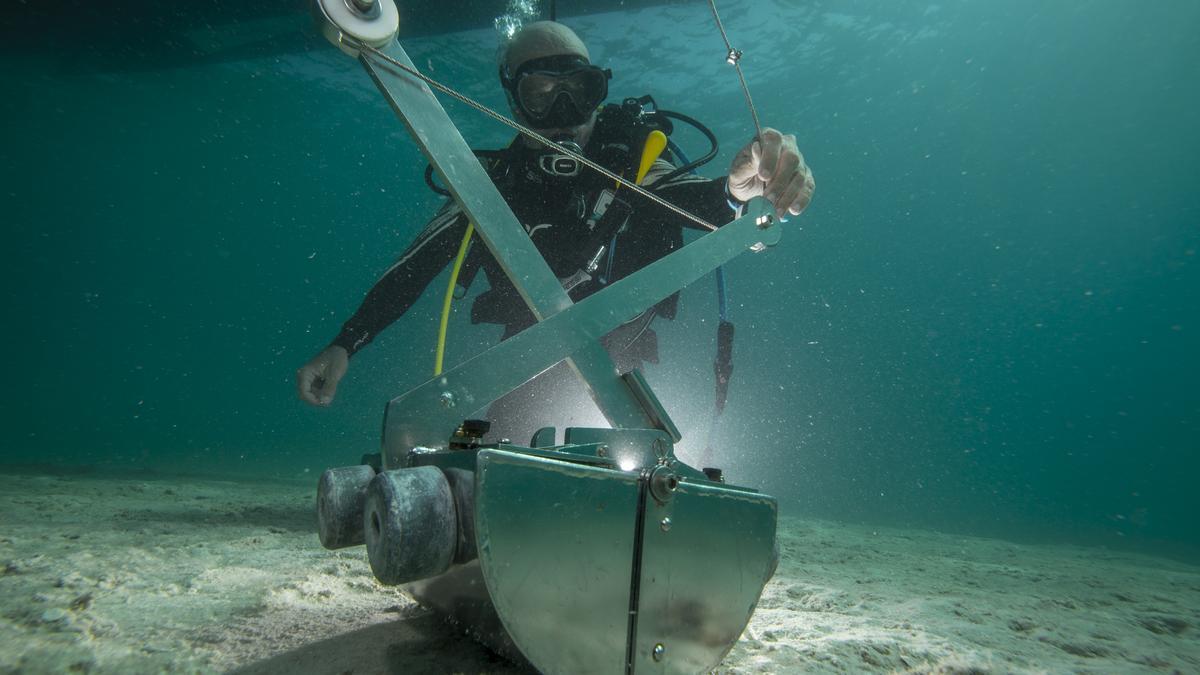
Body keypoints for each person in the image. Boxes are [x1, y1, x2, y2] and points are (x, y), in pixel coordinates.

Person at [297, 21, 815, 442]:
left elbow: (691, 202)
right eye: (542, 92)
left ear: (599, 90)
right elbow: (420, 262)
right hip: (525, 354)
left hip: (621, 358)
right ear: (514, 99)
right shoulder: (494, 181)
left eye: (580, 90)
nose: (565, 112)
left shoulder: (628, 158)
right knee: (492, 465)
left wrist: (741, 189)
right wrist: (346, 343)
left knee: (632, 472)